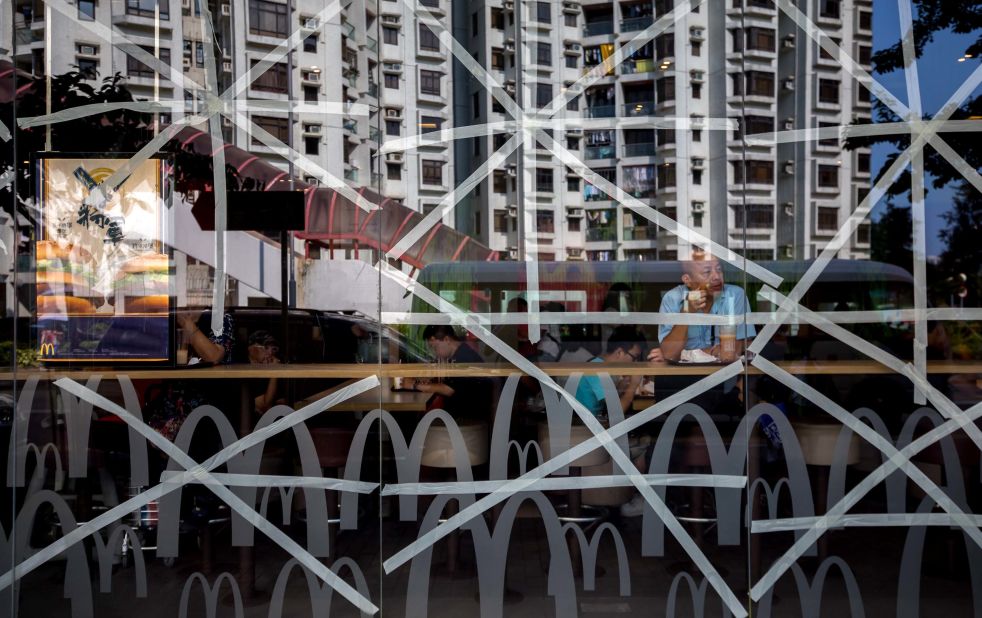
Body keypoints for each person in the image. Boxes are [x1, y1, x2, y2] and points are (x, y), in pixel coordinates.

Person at [658, 248, 755, 361]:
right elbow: (670, 354)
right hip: (682, 375)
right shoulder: (673, 298)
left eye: (719, 270)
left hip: (724, 373)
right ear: (687, 280)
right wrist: (686, 311)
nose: (717, 277)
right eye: (707, 272)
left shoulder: (734, 295)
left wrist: (685, 355)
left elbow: (734, 351)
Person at [403, 325, 493, 418]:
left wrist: (414, 385)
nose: (435, 352)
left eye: (435, 347)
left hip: (466, 417)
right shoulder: (461, 352)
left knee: (414, 418)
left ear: (447, 340)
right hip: (462, 413)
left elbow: (448, 389)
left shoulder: (463, 357)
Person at [573, 325, 646, 417]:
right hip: (585, 426)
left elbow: (609, 400)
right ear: (619, 352)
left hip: (594, 420)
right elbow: (615, 413)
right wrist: (633, 386)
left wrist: (623, 385)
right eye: (634, 357)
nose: (635, 362)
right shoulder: (597, 369)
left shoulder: (600, 363)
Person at [247, 330, 283, 414]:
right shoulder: (243, 368)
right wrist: (274, 372)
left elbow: (282, 402)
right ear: (252, 348)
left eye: (274, 349)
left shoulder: (267, 368)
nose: (270, 353)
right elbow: (264, 406)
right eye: (266, 348)